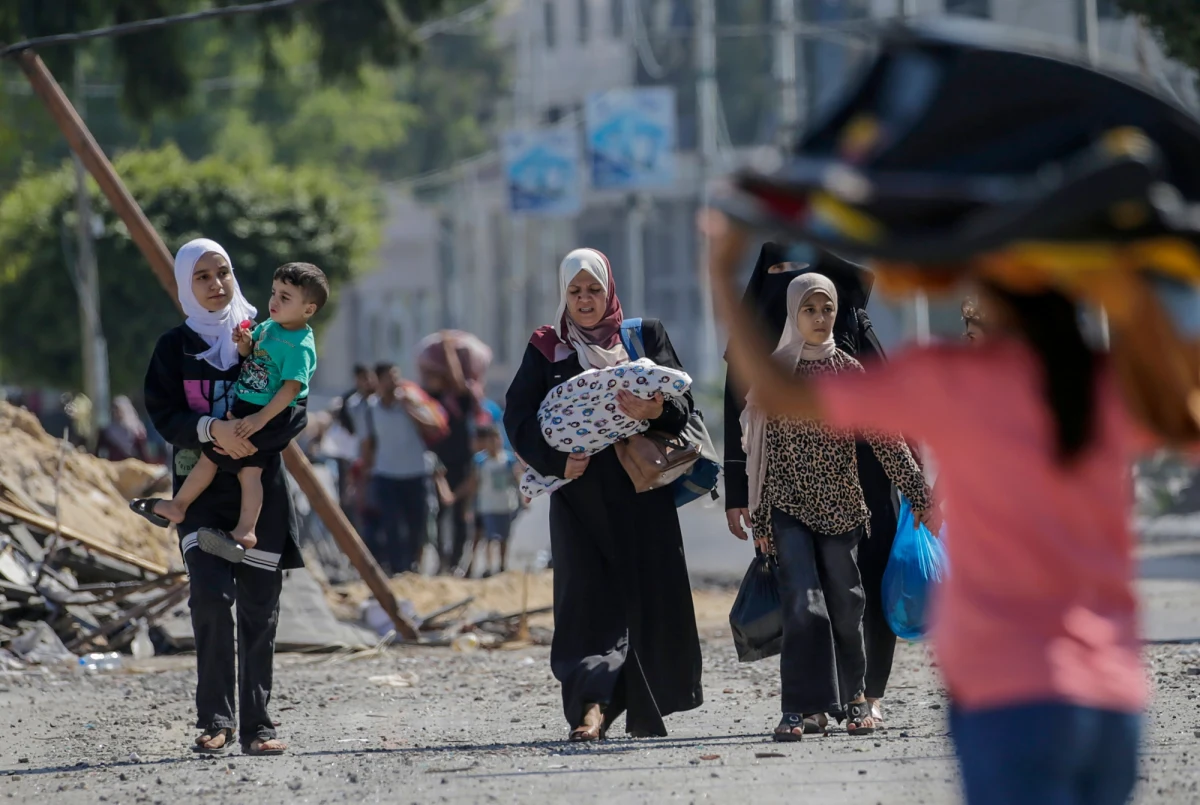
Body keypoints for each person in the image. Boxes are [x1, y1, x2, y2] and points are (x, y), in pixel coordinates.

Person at [707, 211, 1147, 803]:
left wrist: (719, 269)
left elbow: (775, 392)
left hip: (1000, 689)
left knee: (846, 599)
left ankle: (857, 694)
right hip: (1110, 693)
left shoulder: (947, 381)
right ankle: (819, 701)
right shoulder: (1107, 387)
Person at [505, 247, 703, 741]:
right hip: (579, 499)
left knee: (645, 601)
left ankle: (634, 706)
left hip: (642, 495)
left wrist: (652, 410)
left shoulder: (643, 336)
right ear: (563, 296)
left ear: (609, 290)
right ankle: (589, 709)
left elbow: (683, 406)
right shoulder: (548, 347)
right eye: (575, 291)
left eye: (594, 289)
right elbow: (518, 418)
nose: (586, 300)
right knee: (586, 603)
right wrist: (556, 462)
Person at [740, 272, 931, 740]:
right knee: (803, 604)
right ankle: (799, 707)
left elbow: (885, 440)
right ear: (793, 314)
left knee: (847, 605)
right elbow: (761, 456)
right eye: (810, 309)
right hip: (787, 506)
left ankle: (856, 699)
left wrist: (918, 492)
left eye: (827, 309)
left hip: (843, 507)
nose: (821, 318)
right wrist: (761, 518)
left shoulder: (849, 370)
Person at [140, 237, 305, 756]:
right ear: (187, 285)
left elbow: (295, 406)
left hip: (260, 499)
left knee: (260, 610)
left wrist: (247, 435)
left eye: (224, 273)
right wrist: (211, 429)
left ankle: (258, 727)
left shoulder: (267, 336)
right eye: (203, 277)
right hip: (200, 495)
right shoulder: (174, 349)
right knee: (210, 600)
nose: (216, 285)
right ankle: (214, 720)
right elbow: (164, 414)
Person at [134, 263, 327, 562]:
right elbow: (252, 356)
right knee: (212, 456)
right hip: (246, 410)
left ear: (308, 309)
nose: (274, 301)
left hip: (268, 416)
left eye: (285, 298)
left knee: (251, 473)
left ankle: (245, 531)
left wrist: (259, 421)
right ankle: (179, 506)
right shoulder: (267, 327)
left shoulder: (301, 344)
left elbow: (291, 390)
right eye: (274, 293)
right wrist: (244, 344)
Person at [360, 362, 448, 576]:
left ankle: (413, 566)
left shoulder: (412, 401)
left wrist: (409, 408)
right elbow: (367, 444)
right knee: (391, 525)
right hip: (386, 474)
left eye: (396, 376)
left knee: (416, 526)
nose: (395, 382)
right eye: (390, 377)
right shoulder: (370, 408)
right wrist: (363, 478)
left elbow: (435, 427)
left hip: (415, 474)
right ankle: (398, 569)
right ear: (379, 381)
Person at [422, 339, 480, 575]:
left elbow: (457, 380)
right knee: (436, 515)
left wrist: (447, 351)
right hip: (438, 465)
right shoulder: (430, 400)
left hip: (461, 462)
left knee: (459, 515)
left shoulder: (462, 398)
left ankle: (456, 560)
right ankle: (441, 559)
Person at [465, 423, 521, 577]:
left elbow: (516, 479)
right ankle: (489, 567)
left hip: (505, 504)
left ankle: (502, 565)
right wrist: (470, 505)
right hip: (487, 505)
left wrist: (522, 498)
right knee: (490, 537)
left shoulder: (508, 460)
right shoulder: (480, 461)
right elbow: (474, 483)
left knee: (504, 537)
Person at [97, 396, 152, 462]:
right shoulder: (106, 432)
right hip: (113, 468)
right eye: (114, 410)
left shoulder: (137, 431)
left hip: (132, 468)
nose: (117, 413)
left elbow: (143, 454)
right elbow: (98, 451)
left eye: (119, 410)